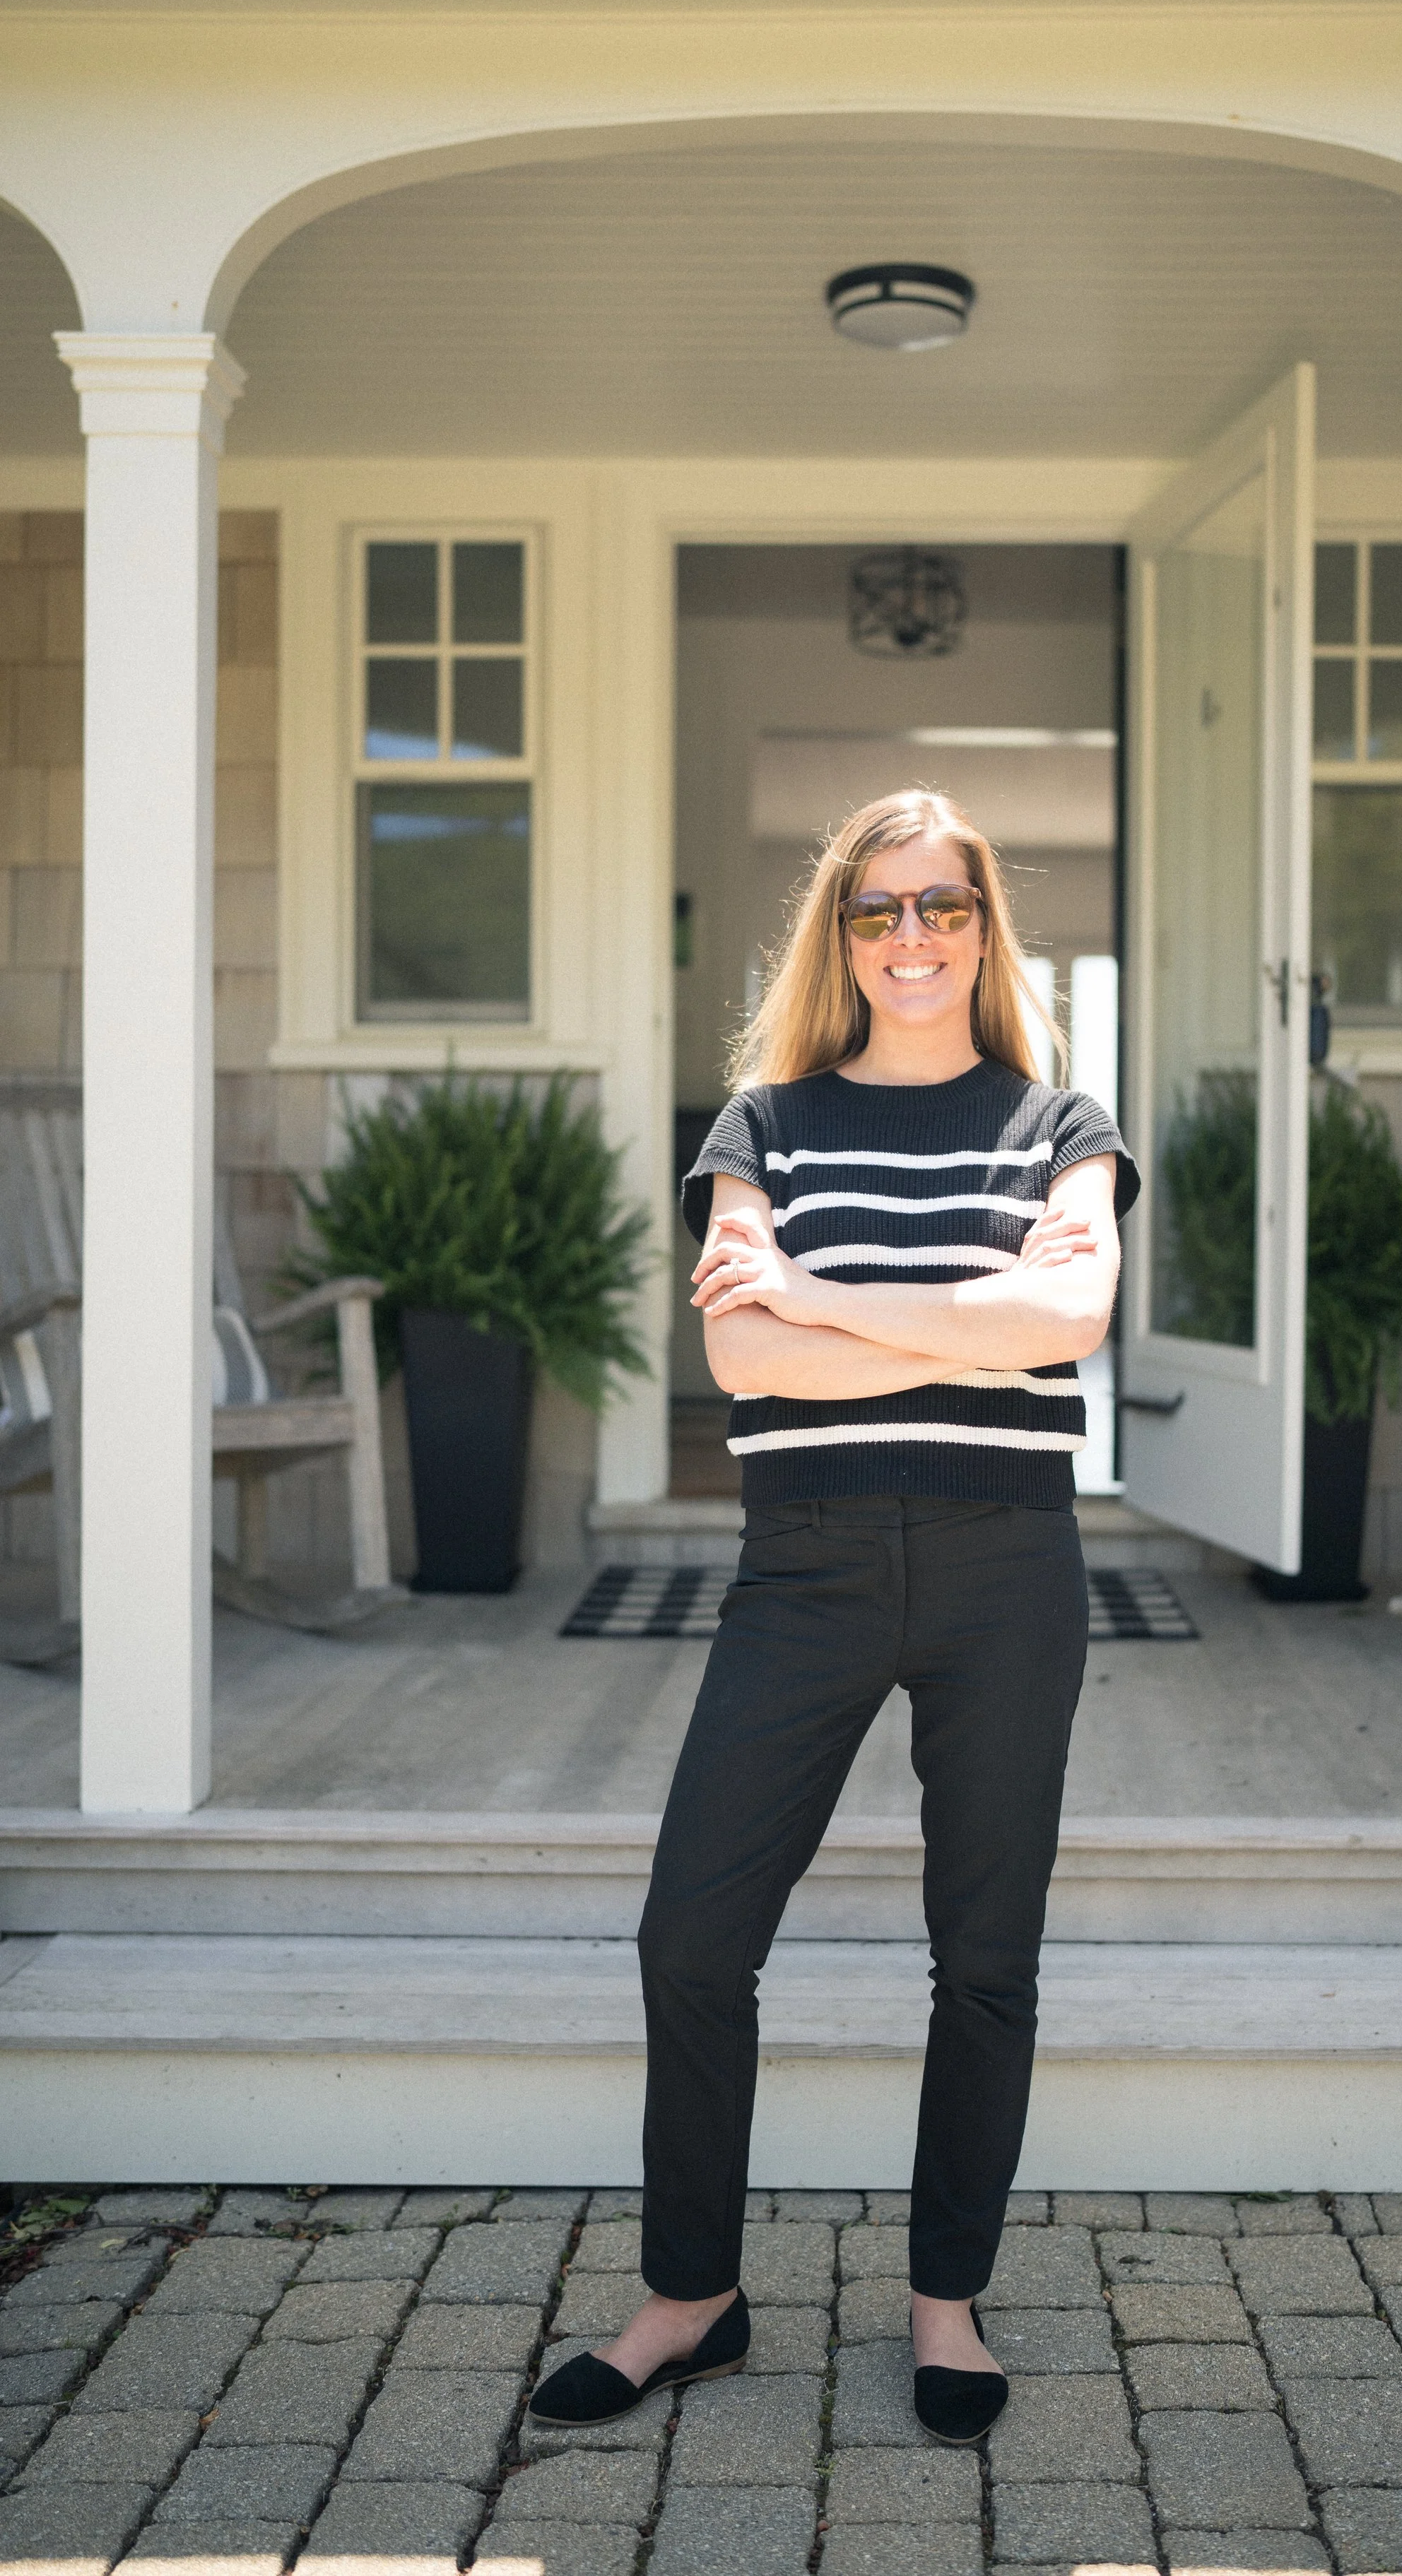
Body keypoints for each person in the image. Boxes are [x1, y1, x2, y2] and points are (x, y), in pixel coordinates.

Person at [526, 786, 1138, 2445]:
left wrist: (820, 1294)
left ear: (983, 927)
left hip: (1007, 1568)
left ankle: (946, 2308)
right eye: (879, 911)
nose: (913, 937)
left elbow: (1067, 1317)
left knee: (985, 1957)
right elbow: (745, 1362)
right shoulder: (763, 1127)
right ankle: (691, 2300)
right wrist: (938, 1322)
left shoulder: (1057, 1126)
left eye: (943, 906)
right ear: (841, 935)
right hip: (798, 1567)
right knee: (692, 1937)